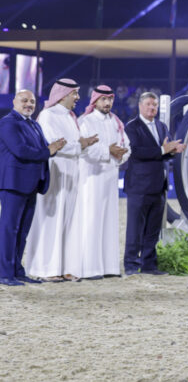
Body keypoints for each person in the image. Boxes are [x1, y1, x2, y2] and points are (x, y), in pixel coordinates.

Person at [24, 80, 98, 282]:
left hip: (72, 174)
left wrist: (83, 144)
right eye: (75, 94)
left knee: (69, 221)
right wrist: (79, 145)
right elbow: (53, 145)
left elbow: (75, 144)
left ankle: (65, 267)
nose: (77, 98)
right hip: (55, 173)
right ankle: (45, 268)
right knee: (51, 220)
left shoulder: (71, 117)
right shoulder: (48, 116)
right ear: (64, 94)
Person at [0, 90, 66, 286]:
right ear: (14, 102)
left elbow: (45, 149)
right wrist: (48, 150)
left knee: (22, 231)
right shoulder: (8, 123)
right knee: (9, 230)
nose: (29, 104)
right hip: (13, 183)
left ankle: (17, 270)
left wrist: (52, 149)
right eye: (24, 100)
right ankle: (4, 273)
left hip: (31, 183)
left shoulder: (34, 124)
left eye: (32, 101)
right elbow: (21, 150)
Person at [68, 85, 130, 279]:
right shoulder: (85, 121)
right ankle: (89, 269)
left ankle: (109, 267)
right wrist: (108, 151)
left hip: (110, 177)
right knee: (91, 220)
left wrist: (121, 154)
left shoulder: (116, 122)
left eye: (110, 99)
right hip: (91, 179)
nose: (107, 103)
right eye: (104, 99)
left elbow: (127, 146)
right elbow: (84, 149)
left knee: (110, 222)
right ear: (95, 101)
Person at [122, 91, 185, 275]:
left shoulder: (162, 126)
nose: (152, 108)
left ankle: (149, 265)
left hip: (158, 186)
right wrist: (163, 149)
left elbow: (164, 151)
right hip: (139, 186)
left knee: (153, 229)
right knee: (135, 228)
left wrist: (174, 150)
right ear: (140, 106)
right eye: (149, 104)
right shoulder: (132, 127)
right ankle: (131, 265)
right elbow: (136, 152)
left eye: (155, 105)